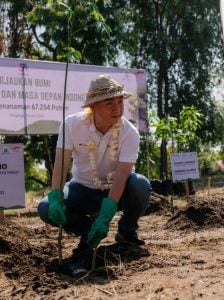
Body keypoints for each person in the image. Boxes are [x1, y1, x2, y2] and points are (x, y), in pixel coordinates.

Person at [38, 74, 151, 258]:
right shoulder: (71, 125)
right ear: (93, 106)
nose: (117, 109)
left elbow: (122, 175)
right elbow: (61, 163)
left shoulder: (130, 133)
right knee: (45, 207)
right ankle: (87, 232)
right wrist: (56, 196)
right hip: (81, 190)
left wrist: (106, 215)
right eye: (109, 103)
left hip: (117, 190)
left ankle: (127, 233)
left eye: (120, 102)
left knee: (140, 184)